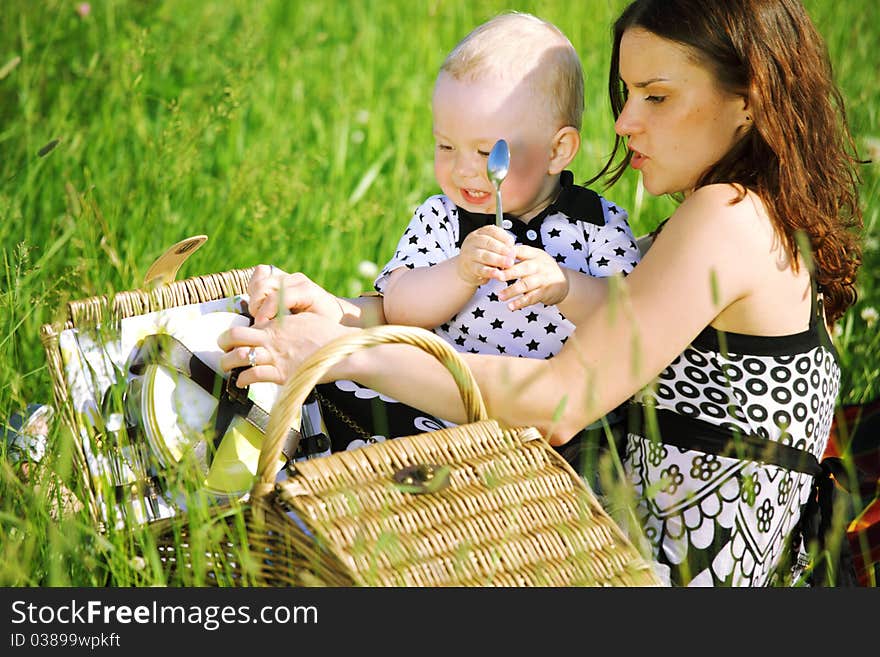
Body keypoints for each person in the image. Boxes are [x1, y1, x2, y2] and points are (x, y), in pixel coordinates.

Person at [220, 0, 864, 587]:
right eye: (627, 93)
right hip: (606, 528)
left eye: (656, 97)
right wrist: (340, 312)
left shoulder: (727, 216)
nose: (624, 121)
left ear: (748, 99)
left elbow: (558, 403)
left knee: (321, 424)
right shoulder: (748, 217)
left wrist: (345, 349)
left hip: (638, 565)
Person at [261, 13, 641, 458]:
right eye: (445, 146)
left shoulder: (596, 224)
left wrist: (566, 286)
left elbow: (629, 319)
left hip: (544, 431)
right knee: (333, 399)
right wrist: (459, 273)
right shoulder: (445, 217)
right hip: (434, 399)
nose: (462, 169)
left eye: (486, 151)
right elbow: (399, 308)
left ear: (557, 150)